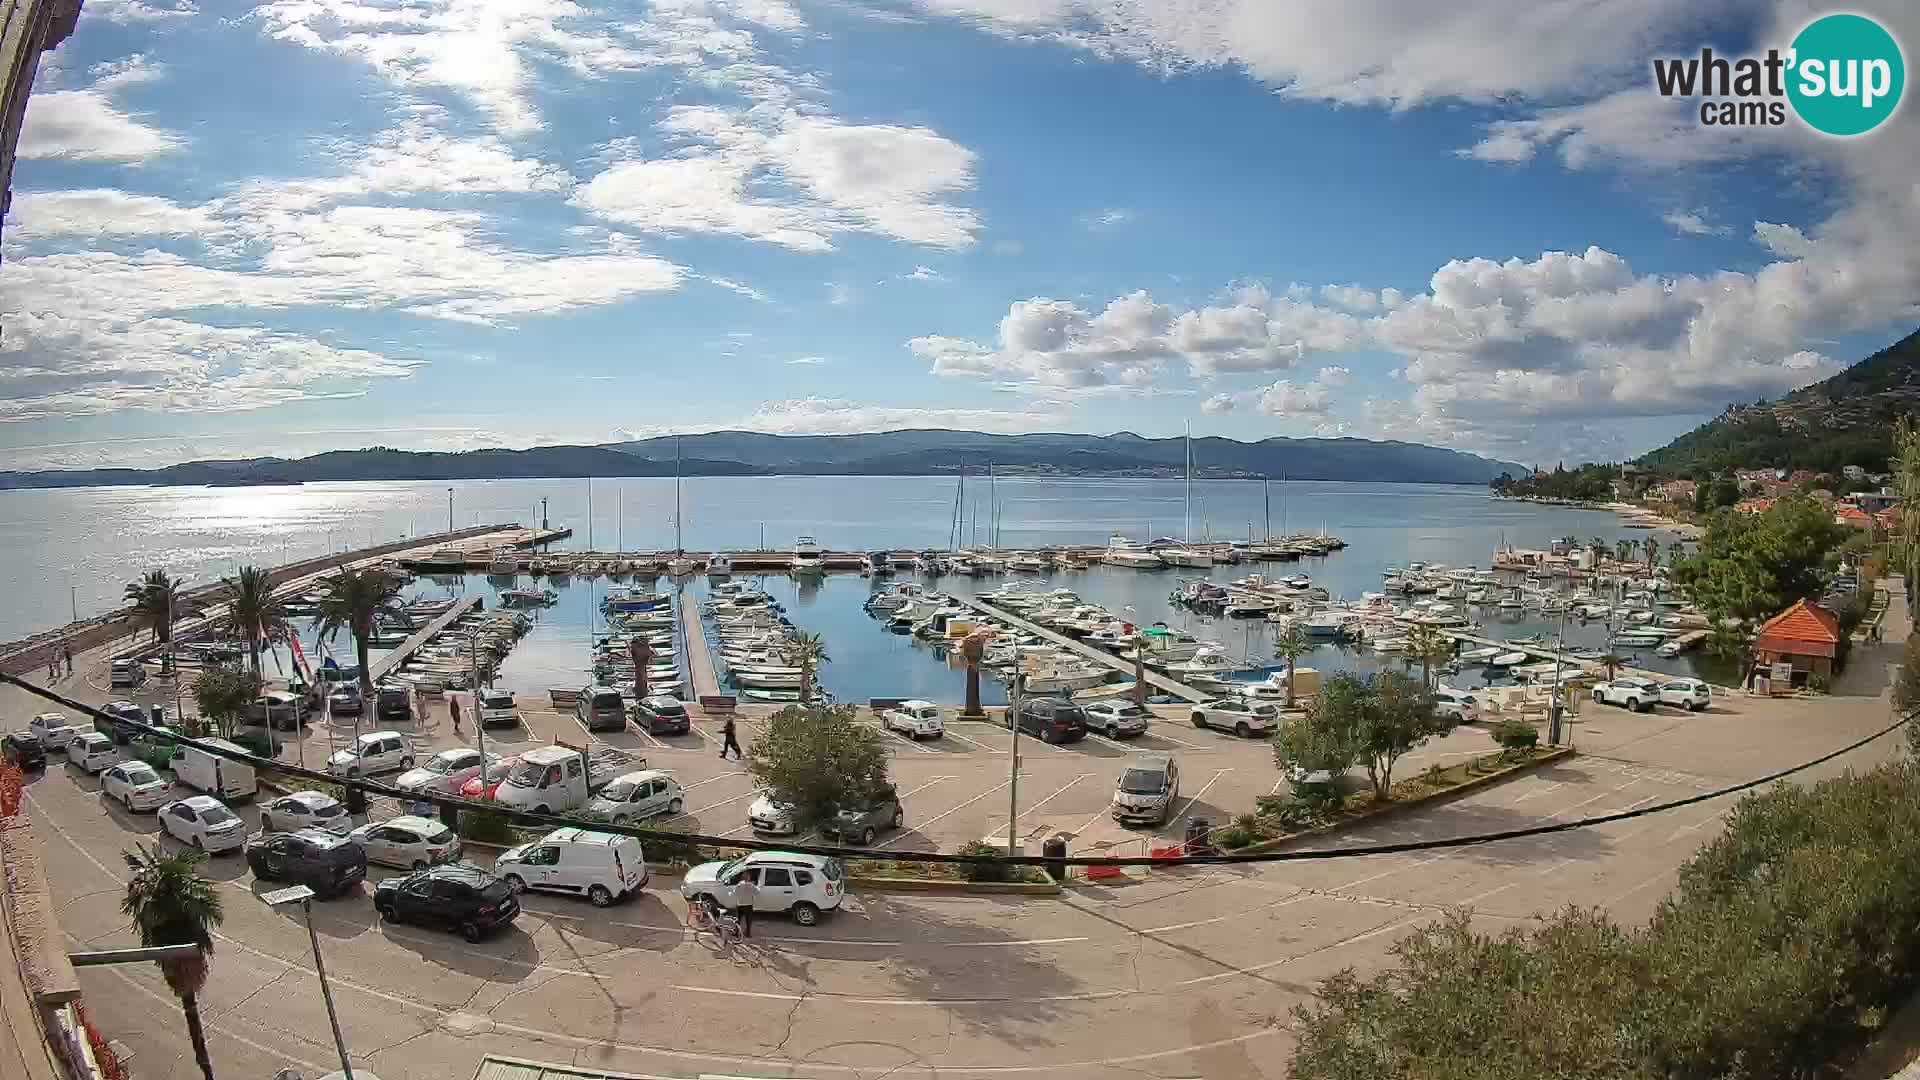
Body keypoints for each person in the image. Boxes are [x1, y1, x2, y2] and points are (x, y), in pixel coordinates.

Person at [731, 870, 756, 939]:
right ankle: (748, 933)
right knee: (748, 920)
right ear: (749, 878)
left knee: (738, 919)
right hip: (749, 905)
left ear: (742, 877)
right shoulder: (751, 885)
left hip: (740, 904)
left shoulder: (739, 885)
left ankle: (736, 932)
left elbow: (734, 893)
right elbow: (757, 892)